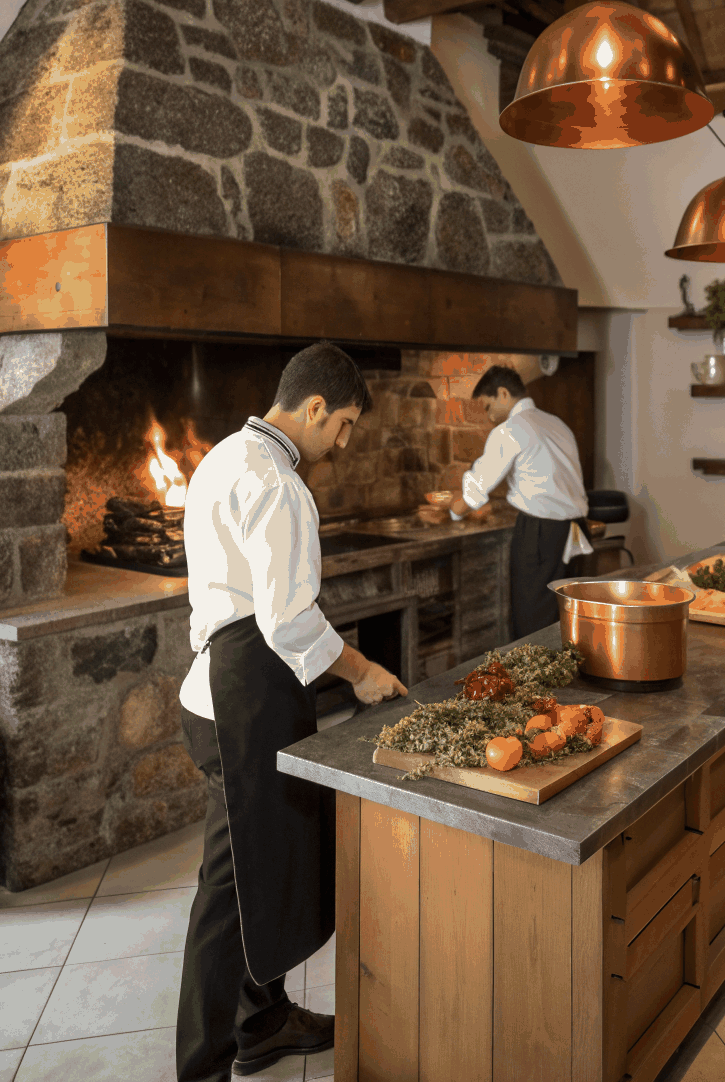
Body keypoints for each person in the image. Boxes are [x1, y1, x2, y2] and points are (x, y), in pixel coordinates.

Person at [176, 342, 407, 1082]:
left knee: (265, 861)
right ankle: (202, 1065)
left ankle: (265, 1021)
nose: (342, 443)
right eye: (342, 425)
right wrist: (363, 670)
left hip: (226, 687)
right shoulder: (279, 484)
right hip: (241, 697)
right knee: (230, 891)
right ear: (313, 407)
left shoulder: (221, 456)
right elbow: (288, 621)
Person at [449, 365, 591, 638]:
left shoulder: (511, 430)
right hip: (575, 531)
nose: (490, 417)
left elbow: (477, 487)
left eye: (488, 407)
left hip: (541, 533)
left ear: (503, 394)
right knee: (567, 620)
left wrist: (453, 511)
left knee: (533, 621)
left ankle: (536, 681)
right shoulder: (555, 423)